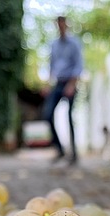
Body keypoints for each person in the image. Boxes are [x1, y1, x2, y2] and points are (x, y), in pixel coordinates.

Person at [42, 16, 83, 165]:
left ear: (66, 25)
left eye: (62, 24)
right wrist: (47, 84)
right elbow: (51, 66)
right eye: (58, 25)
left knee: (69, 117)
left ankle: (74, 154)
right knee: (47, 114)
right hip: (58, 83)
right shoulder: (54, 45)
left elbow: (78, 65)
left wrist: (72, 84)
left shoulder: (74, 43)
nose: (60, 27)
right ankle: (59, 149)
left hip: (70, 82)